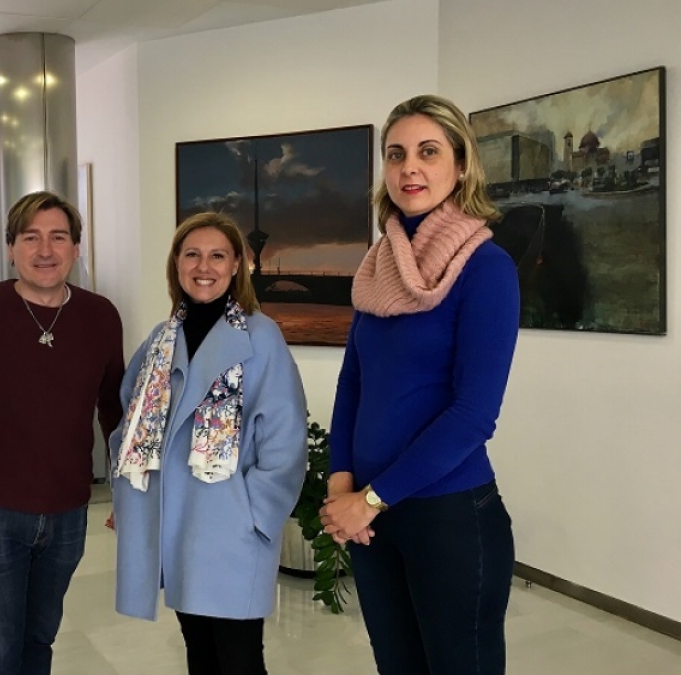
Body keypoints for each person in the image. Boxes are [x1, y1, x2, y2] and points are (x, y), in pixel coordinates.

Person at [320, 94, 520, 675]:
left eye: (428, 152)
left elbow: (473, 415)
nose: (409, 167)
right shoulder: (378, 265)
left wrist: (368, 500)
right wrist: (341, 485)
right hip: (373, 520)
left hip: (449, 518)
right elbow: (354, 383)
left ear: (460, 165)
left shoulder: (486, 269)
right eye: (396, 154)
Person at [0, 190, 124, 675]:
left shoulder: (100, 315)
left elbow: (114, 410)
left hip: (69, 509)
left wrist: (126, 489)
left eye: (58, 237)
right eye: (31, 237)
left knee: (40, 640)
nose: (45, 250)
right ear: (11, 248)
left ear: (76, 248)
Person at [109, 212, 307, 675]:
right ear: (176, 263)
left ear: (237, 264)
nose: (204, 266)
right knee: (198, 652)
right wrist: (130, 496)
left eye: (217, 255)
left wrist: (255, 513)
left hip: (232, 526)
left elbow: (285, 437)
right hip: (177, 523)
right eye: (192, 254)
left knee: (239, 658)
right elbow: (129, 421)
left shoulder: (261, 336)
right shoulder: (162, 339)